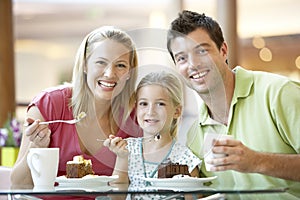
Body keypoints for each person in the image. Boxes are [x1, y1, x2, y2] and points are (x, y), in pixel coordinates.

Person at [166, 10, 300, 197]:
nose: (193, 64)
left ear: (223, 51)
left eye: (202, 51)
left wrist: (256, 161)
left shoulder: (279, 93)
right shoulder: (193, 134)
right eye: (182, 58)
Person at [10, 26, 141, 187]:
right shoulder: (50, 104)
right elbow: (18, 184)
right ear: (85, 65)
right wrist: (36, 146)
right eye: (101, 62)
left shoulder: (135, 116)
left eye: (120, 65)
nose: (109, 74)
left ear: (129, 72)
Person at [104, 71, 201, 191]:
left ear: (177, 111)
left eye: (160, 104)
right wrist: (122, 158)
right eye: (144, 103)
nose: (150, 112)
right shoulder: (127, 149)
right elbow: (116, 197)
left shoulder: (186, 159)